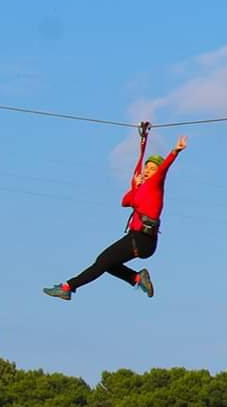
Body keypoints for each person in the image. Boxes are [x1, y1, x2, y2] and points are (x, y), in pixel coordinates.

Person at [43, 124, 187, 301]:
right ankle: (136, 278)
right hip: (140, 239)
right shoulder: (142, 189)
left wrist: (175, 151)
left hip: (142, 239)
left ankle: (68, 287)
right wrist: (136, 183)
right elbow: (125, 201)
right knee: (106, 263)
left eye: (152, 168)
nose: (148, 170)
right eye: (147, 168)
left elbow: (163, 169)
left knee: (102, 262)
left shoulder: (155, 185)